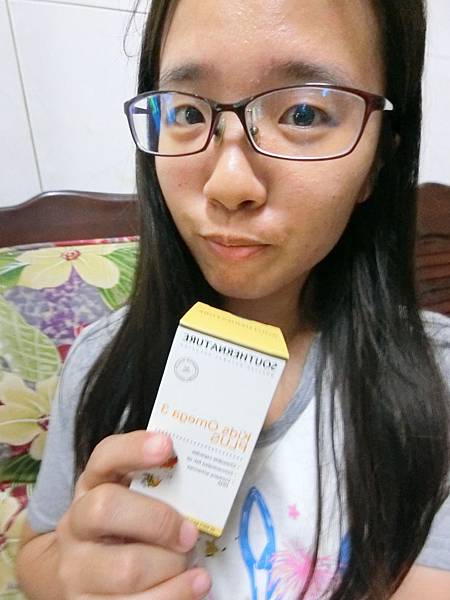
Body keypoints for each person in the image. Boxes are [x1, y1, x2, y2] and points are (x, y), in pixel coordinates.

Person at [16, 1, 450, 598]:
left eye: (303, 112)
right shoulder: (102, 361)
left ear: (378, 159)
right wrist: (69, 574)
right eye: (187, 112)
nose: (228, 185)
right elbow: (38, 549)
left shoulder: (439, 385)